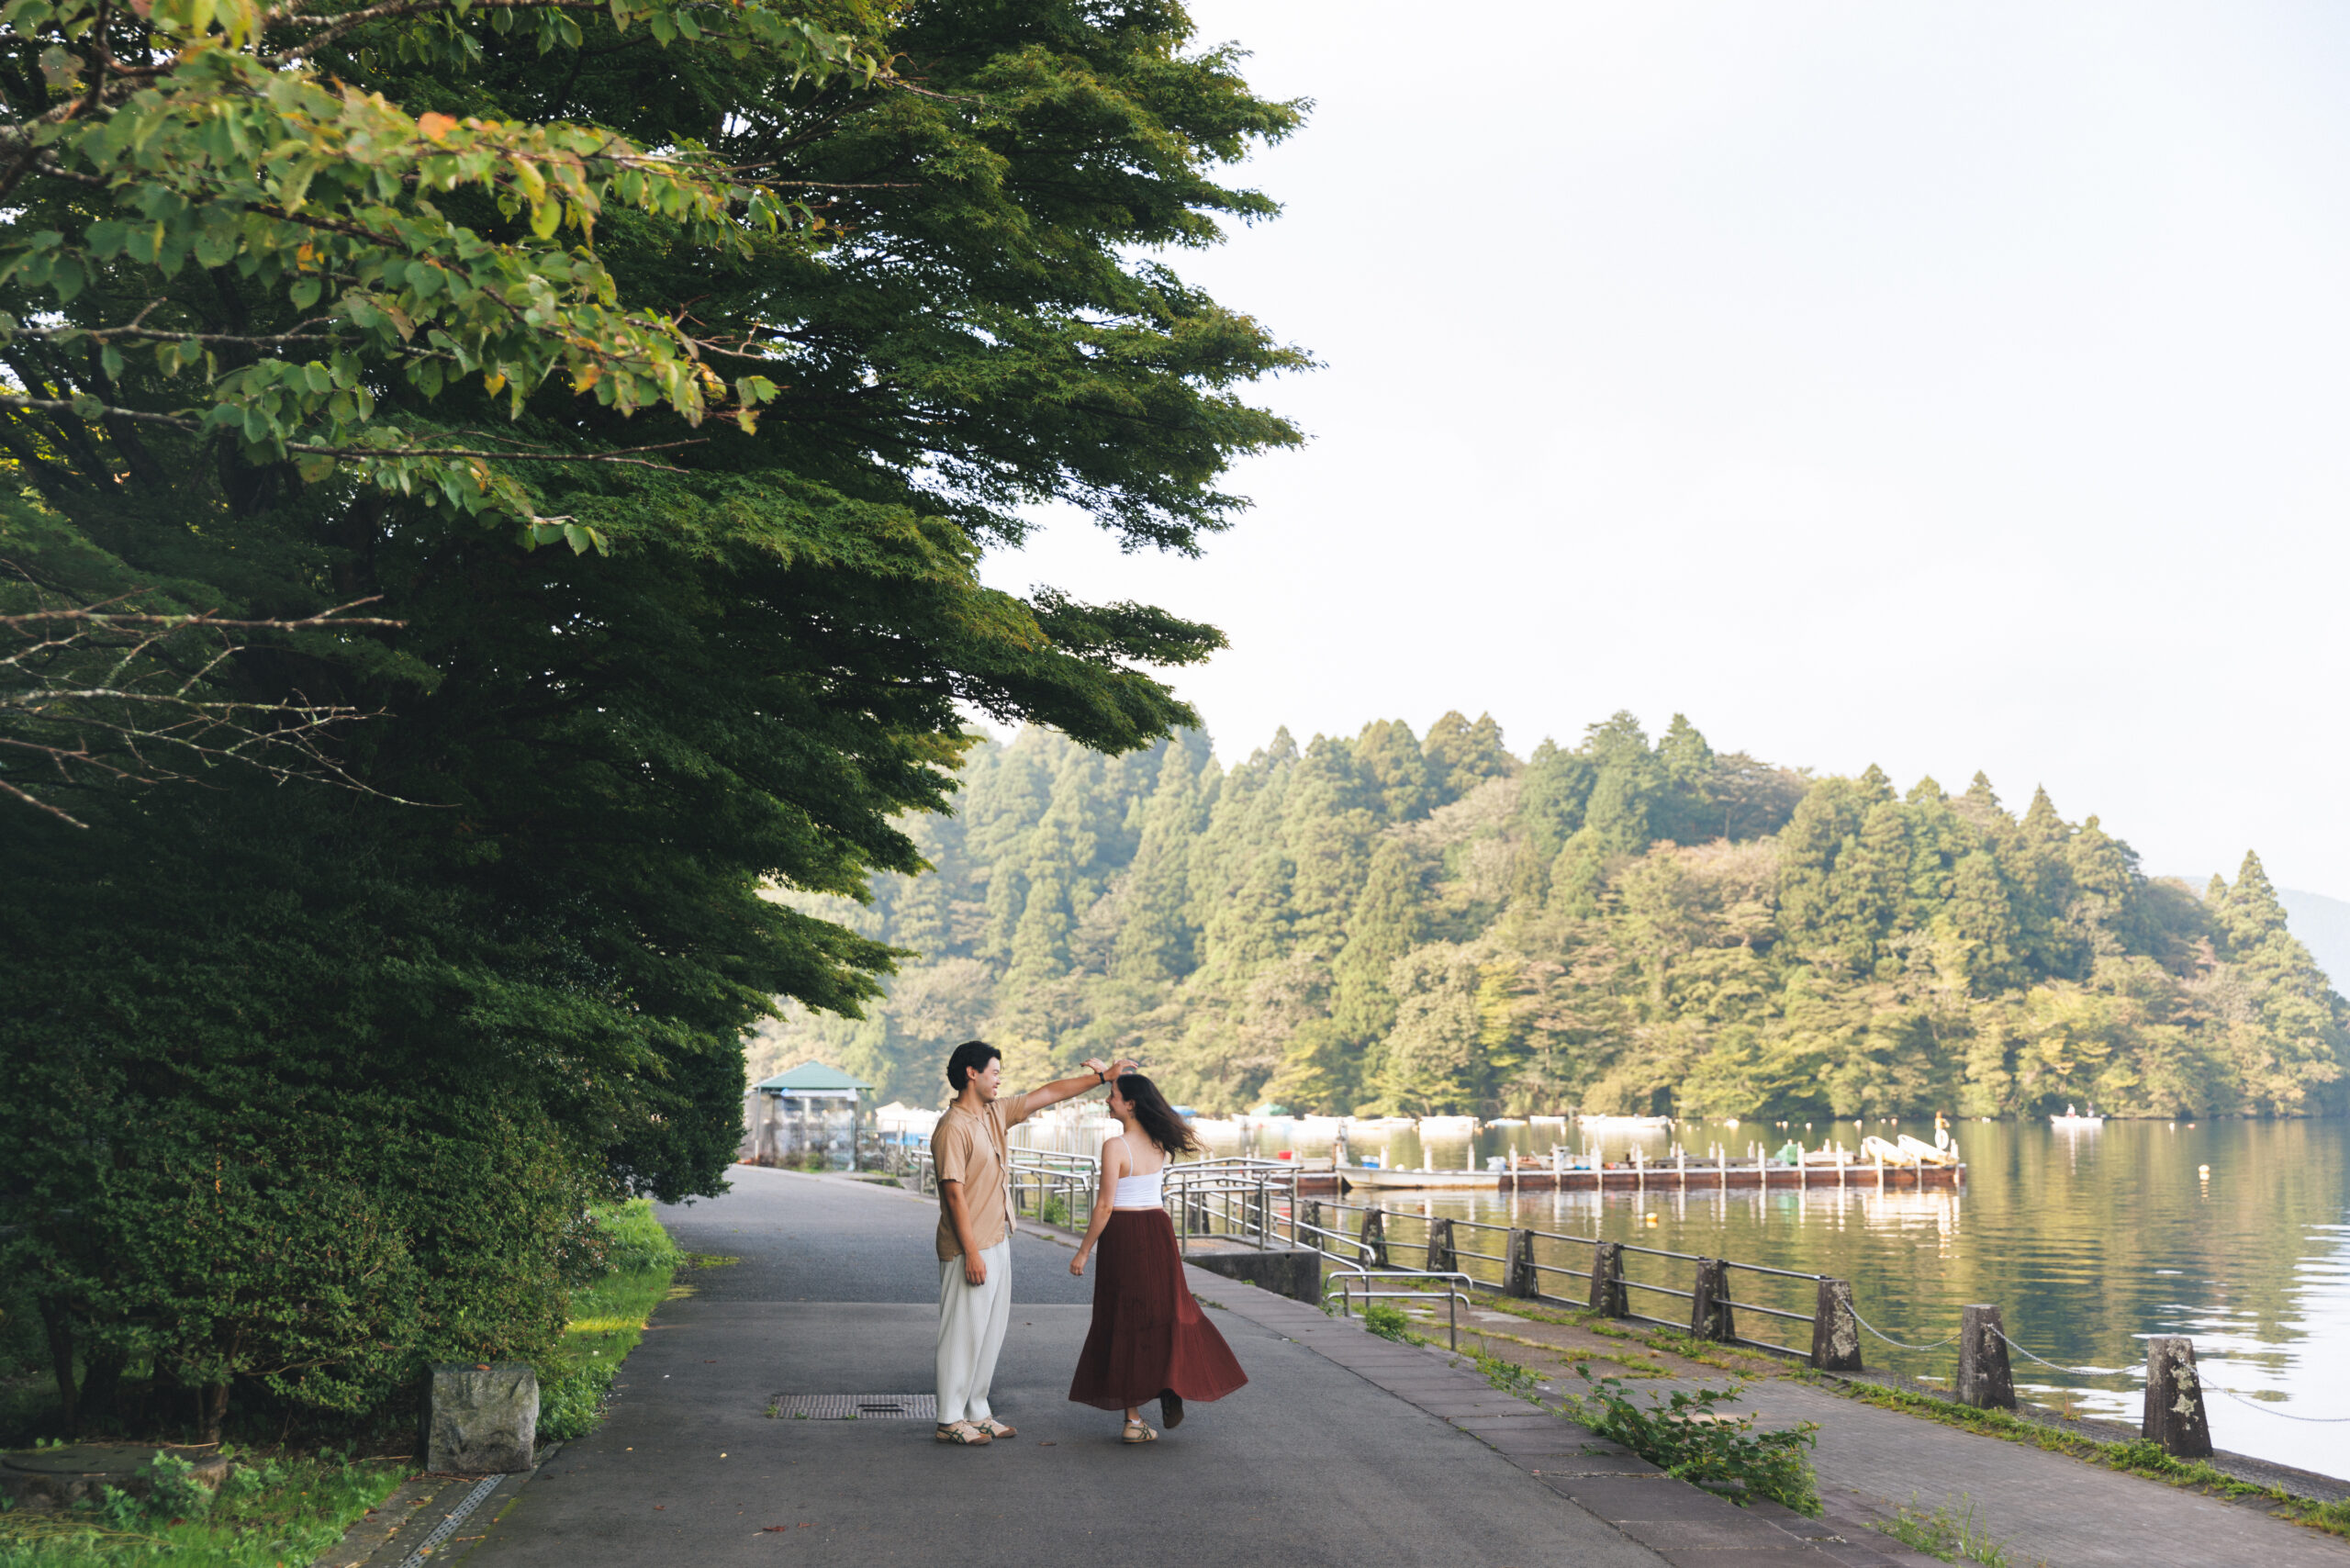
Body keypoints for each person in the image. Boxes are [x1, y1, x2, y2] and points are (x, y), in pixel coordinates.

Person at [931, 1042, 1134, 1448]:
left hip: (997, 1237)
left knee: (989, 1331)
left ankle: (977, 1411)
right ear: (972, 1073)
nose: (999, 1079)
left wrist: (1102, 1078)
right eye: (994, 1071)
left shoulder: (993, 1113)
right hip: (969, 1245)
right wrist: (972, 1252)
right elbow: (953, 1195)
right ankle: (949, 1419)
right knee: (962, 1332)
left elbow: (1048, 1094)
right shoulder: (953, 1126)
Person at [1067, 1071, 1248, 1443]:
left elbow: (1105, 1206)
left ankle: (1133, 1419)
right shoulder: (1160, 1143)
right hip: (1158, 1231)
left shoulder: (1115, 1146)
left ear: (1130, 1104)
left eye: (1113, 1095)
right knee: (1168, 1313)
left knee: (1121, 1318)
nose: (1108, 1101)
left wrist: (1084, 1250)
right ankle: (1169, 1380)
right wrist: (1108, 1075)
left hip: (1123, 1233)